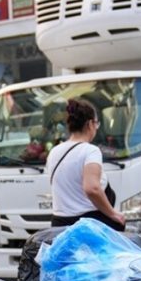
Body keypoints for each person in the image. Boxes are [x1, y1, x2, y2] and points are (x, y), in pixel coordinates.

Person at [46, 99, 126, 231]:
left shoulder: (54, 152)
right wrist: (113, 214)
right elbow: (92, 188)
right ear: (90, 124)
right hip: (88, 226)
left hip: (59, 225)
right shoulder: (90, 151)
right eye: (96, 123)